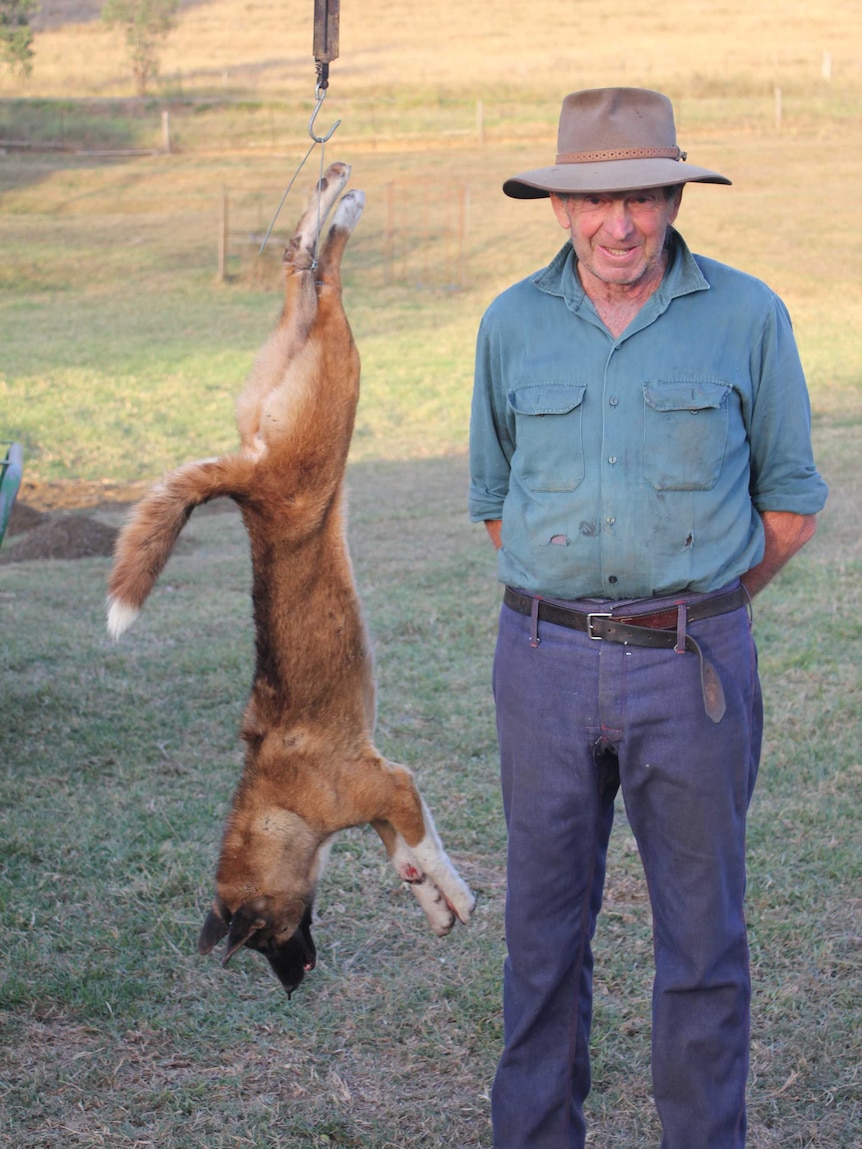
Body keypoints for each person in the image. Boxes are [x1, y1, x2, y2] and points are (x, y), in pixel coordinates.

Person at [469, 87, 828, 1149]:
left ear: (675, 196)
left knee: (703, 947)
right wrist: (578, 616)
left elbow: (789, 507)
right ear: (558, 208)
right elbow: (497, 504)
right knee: (540, 939)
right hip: (540, 665)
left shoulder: (748, 317)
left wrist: (699, 609)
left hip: (694, 665)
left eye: (641, 197)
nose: (617, 225)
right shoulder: (510, 324)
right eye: (594, 201)